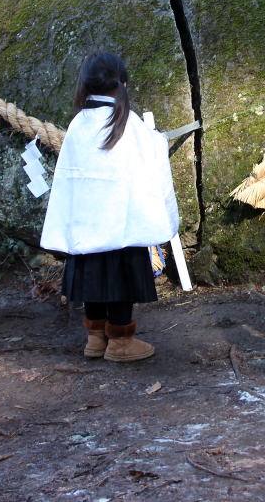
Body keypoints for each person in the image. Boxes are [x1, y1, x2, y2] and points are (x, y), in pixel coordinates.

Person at [40, 52, 180, 362]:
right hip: (122, 222)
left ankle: (95, 338)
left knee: (91, 274)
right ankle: (120, 342)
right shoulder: (128, 122)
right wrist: (158, 139)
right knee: (121, 277)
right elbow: (151, 158)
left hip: (86, 226)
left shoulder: (78, 124)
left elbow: (69, 179)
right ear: (123, 84)